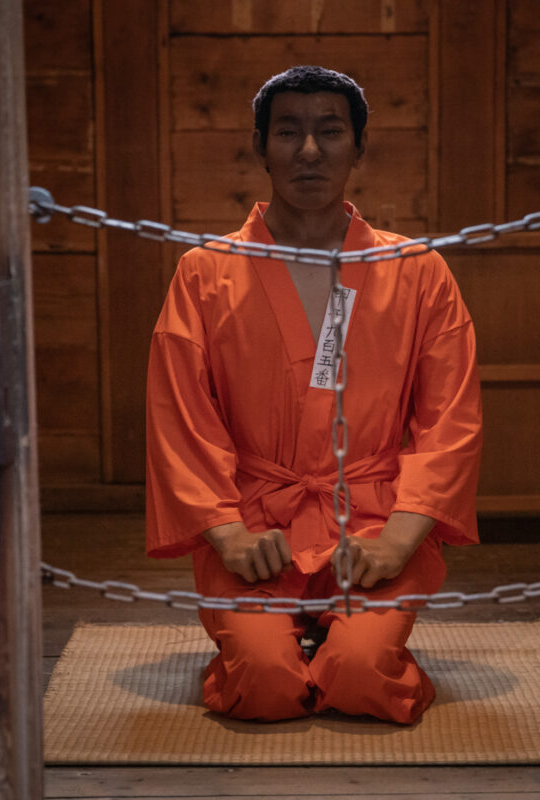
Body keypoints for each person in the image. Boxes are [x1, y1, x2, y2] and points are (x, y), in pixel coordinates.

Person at [145, 65, 481, 724]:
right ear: (259, 147)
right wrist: (230, 535)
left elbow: (451, 420)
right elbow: (179, 418)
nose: (308, 151)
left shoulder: (417, 271)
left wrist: (399, 540)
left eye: (329, 131)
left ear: (359, 147)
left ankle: (349, 644)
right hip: (255, 523)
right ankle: (283, 645)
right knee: (263, 685)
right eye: (287, 132)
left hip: (374, 520)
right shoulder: (204, 273)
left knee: (362, 676)